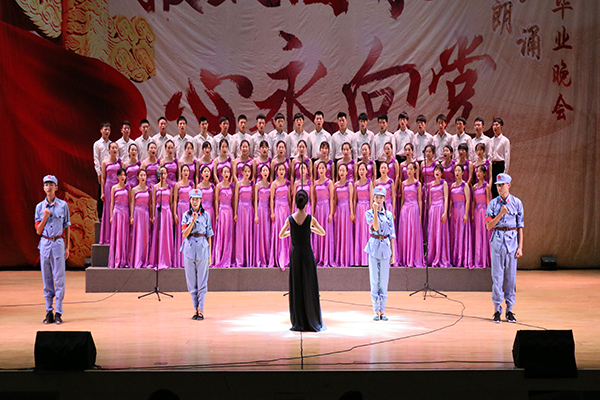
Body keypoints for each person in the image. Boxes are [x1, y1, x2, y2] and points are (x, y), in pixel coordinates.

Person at [279, 190, 326, 332]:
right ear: (306, 203)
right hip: (307, 254)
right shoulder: (310, 218)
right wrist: (310, 229)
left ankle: (298, 321)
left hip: (295, 255)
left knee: (297, 286)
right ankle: (311, 319)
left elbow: (281, 235)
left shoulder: (290, 219)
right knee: (309, 285)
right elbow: (322, 232)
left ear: (296, 203)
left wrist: (292, 232)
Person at [486, 173, 523, 323]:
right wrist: (500, 214)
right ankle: (497, 309)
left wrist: (520, 247)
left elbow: (520, 226)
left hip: (512, 242)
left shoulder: (517, 203)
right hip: (498, 241)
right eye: (497, 185)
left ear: (508, 185)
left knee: (511, 278)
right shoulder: (493, 204)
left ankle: (510, 310)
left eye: (501, 185)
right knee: (497, 277)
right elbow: (489, 226)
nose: (499, 187)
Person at [35, 175, 70, 324]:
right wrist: (45, 217)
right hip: (45, 243)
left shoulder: (63, 205)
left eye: (51, 184)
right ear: (43, 188)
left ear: (56, 187)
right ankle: (49, 311)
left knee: (59, 278)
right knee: (47, 279)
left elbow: (67, 225)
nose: (48, 187)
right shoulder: (39, 207)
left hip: (58, 243)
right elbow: (38, 230)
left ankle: (59, 312)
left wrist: (67, 247)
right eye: (46, 184)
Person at [181, 188, 214, 320]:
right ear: (190, 200)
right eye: (193, 199)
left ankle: (201, 309)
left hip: (202, 249)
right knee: (191, 282)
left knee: (202, 282)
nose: (195, 202)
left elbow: (209, 235)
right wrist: (193, 221)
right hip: (189, 249)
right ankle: (195, 307)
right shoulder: (186, 215)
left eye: (197, 199)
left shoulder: (206, 215)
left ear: (201, 201)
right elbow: (184, 234)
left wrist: (209, 255)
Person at [365, 185, 395, 321]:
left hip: (385, 247)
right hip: (374, 246)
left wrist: (393, 254)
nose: (378, 200)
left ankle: (382, 310)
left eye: (381, 198)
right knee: (374, 280)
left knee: (383, 281)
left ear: (384, 199)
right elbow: (375, 227)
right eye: (376, 197)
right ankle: (375, 310)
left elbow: (392, 235)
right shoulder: (369, 213)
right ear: (373, 198)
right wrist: (376, 212)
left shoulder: (389, 215)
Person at [397, 162, 425, 268]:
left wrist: (420, 215)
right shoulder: (403, 183)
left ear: (415, 170)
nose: (409, 171)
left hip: (414, 209)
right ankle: (404, 257)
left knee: (413, 232)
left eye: (411, 169)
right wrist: (401, 211)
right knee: (405, 233)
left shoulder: (418, 184)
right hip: (405, 209)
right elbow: (402, 199)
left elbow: (420, 200)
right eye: (407, 169)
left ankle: (413, 258)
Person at [149, 166, 174, 269]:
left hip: (167, 212)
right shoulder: (155, 187)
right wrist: (152, 215)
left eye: (164, 173)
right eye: (161, 173)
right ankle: (157, 259)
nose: (162, 175)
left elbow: (171, 202)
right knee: (158, 235)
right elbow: (152, 202)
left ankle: (167, 259)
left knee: (166, 235)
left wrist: (172, 215)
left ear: (167, 174)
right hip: (158, 212)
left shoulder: (170, 187)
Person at [427, 164, 450, 268]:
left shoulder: (444, 183)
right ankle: (431, 256)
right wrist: (429, 210)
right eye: (435, 170)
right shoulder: (431, 184)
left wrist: (445, 212)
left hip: (440, 208)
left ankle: (441, 256)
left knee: (440, 231)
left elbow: (446, 198)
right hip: (433, 209)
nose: (437, 172)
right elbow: (430, 199)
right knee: (433, 232)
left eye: (439, 171)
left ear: (441, 173)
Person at [449, 164, 472, 268]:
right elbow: (450, 200)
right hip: (454, 210)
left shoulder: (465, 185)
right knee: (455, 233)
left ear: (463, 173)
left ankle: (462, 258)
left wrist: (466, 214)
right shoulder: (452, 186)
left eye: (459, 171)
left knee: (461, 232)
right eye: (456, 171)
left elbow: (468, 200)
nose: (457, 172)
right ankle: (455, 257)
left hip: (462, 209)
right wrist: (450, 211)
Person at [270, 163, 292, 270]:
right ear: (277, 171)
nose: (282, 171)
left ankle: (287, 256)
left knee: (287, 231)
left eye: (283, 169)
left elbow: (289, 199)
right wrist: (272, 212)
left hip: (286, 209)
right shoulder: (274, 184)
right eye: (280, 169)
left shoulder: (287, 183)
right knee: (278, 231)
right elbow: (271, 199)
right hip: (278, 210)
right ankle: (278, 256)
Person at [312, 161, 335, 267]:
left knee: (326, 231)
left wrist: (331, 213)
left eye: (323, 168)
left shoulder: (329, 182)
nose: (321, 170)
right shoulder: (315, 183)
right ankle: (318, 256)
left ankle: (326, 257)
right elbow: (314, 198)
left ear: (326, 170)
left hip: (326, 208)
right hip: (318, 209)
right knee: (317, 232)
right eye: (319, 168)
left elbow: (332, 198)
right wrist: (313, 212)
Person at [172, 164, 195, 269]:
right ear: (181, 172)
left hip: (189, 210)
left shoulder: (191, 184)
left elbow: (194, 200)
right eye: (184, 170)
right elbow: (175, 200)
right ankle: (179, 260)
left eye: (187, 170)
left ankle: (189, 260)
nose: (186, 172)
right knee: (180, 234)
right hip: (180, 209)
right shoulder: (177, 185)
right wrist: (175, 213)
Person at [99, 142, 122, 244]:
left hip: (117, 187)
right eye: (112, 148)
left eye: (116, 148)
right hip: (108, 187)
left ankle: (117, 235)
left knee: (117, 209)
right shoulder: (105, 162)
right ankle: (108, 237)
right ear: (109, 150)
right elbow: (103, 178)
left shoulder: (120, 162)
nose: (114, 149)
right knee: (108, 209)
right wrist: (102, 192)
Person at [129, 169, 151, 269]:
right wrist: (131, 216)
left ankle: (145, 259)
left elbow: (150, 204)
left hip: (145, 214)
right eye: (141, 175)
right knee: (137, 235)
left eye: (144, 175)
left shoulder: (149, 190)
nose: (143, 177)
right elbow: (132, 203)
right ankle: (137, 259)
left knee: (145, 236)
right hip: (137, 214)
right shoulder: (134, 190)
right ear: (137, 177)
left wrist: (151, 216)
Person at [333, 163, 354, 267]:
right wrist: (333, 212)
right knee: (339, 233)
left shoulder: (349, 184)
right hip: (339, 210)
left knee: (346, 233)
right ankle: (339, 258)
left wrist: (352, 213)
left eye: (343, 170)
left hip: (346, 210)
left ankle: (347, 259)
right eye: (340, 170)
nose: (341, 172)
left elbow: (351, 200)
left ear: (346, 172)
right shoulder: (335, 185)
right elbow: (334, 200)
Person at [213, 165, 234, 268]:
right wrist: (217, 213)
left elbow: (233, 200)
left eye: (228, 172)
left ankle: (228, 258)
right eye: (224, 172)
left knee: (228, 234)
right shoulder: (218, 186)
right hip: (221, 210)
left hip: (229, 210)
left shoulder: (232, 186)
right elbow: (216, 200)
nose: (226, 174)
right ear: (221, 174)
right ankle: (219, 257)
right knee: (221, 234)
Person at [108, 168, 129, 268]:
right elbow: (112, 203)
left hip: (125, 212)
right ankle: (116, 259)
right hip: (116, 212)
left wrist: (131, 215)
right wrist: (111, 216)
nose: (122, 177)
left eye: (124, 175)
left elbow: (130, 201)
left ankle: (124, 259)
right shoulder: (114, 188)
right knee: (116, 235)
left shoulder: (128, 187)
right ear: (117, 176)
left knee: (124, 235)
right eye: (121, 175)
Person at [233, 164, 254, 267]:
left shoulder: (252, 184)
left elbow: (254, 199)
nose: (247, 173)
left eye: (248, 171)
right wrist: (235, 213)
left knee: (248, 233)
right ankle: (240, 259)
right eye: (245, 171)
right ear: (242, 172)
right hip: (241, 209)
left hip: (249, 209)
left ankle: (248, 258)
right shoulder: (238, 183)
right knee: (241, 233)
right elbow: (236, 199)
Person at [472, 165, 491, 269]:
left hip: (484, 211)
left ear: (484, 173)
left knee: (484, 233)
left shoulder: (486, 186)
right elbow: (474, 201)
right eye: (477, 172)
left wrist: (488, 215)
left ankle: (485, 258)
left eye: (480, 172)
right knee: (478, 234)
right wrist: (472, 213)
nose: (478, 174)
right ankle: (478, 258)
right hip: (477, 212)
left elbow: (488, 201)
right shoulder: (474, 187)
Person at [354, 162, 373, 267]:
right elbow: (354, 199)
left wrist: (370, 212)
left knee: (367, 232)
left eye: (363, 169)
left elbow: (371, 198)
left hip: (367, 208)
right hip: (359, 208)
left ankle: (368, 258)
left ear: (366, 171)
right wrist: (353, 212)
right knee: (359, 232)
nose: (361, 171)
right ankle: (359, 259)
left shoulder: (369, 183)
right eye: (360, 169)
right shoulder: (356, 184)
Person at [198, 166, 217, 266]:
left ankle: (210, 258)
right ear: (201, 174)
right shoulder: (198, 187)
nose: (206, 173)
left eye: (208, 171)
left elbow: (215, 200)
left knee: (209, 235)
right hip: (201, 212)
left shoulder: (213, 186)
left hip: (211, 212)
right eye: (204, 171)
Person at [254, 164, 272, 268]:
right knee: (260, 234)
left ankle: (267, 256)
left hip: (267, 211)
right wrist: (256, 214)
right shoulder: (257, 185)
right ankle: (259, 258)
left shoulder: (270, 185)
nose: (265, 172)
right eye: (263, 170)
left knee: (267, 234)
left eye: (266, 170)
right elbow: (255, 200)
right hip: (260, 210)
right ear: (260, 173)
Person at [93, 122, 112, 220]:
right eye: (105, 129)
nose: (107, 131)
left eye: (109, 130)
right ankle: (100, 215)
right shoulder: (97, 144)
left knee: (110, 193)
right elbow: (96, 159)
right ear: (101, 131)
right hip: (101, 172)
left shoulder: (112, 144)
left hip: (111, 173)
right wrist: (99, 173)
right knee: (101, 193)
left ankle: (110, 214)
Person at [490, 118, 511, 198]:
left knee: (500, 189)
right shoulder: (490, 140)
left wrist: (505, 171)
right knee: (492, 189)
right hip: (492, 166)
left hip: (500, 166)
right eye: (493, 125)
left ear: (501, 126)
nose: (495, 127)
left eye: (497, 125)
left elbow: (507, 156)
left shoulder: (505, 140)